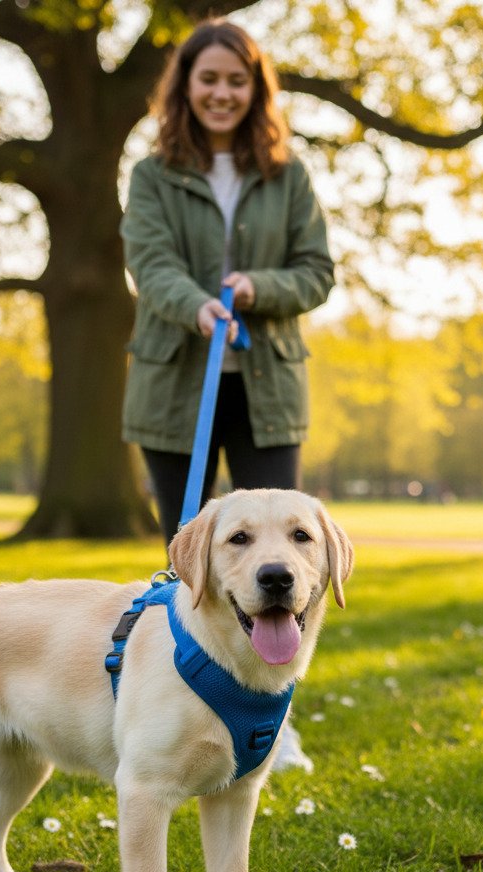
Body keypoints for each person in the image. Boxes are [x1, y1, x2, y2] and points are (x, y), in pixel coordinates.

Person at [120, 19, 334, 773]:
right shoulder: (153, 176)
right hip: (176, 382)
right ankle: (181, 704)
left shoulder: (288, 176)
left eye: (236, 81)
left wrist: (255, 287)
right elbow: (149, 261)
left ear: (255, 90)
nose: (221, 92)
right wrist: (197, 304)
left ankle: (274, 719)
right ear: (185, 87)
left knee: (282, 553)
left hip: (267, 383)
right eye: (207, 79)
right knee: (195, 557)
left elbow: (317, 271)